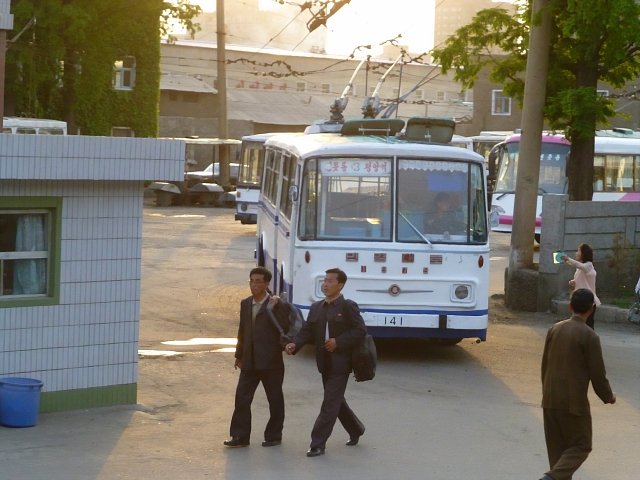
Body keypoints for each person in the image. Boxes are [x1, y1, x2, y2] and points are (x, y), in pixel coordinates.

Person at [284, 267, 367, 457]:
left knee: (329, 403)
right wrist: (294, 345)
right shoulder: (316, 307)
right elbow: (307, 331)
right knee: (336, 401)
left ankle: (317, 443)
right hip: (324, 363)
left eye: (330, 281)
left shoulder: (348, 306)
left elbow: (360, 330)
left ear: (340, 285)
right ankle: (355, 429)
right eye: (325, 280)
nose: (326, 284)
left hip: (341, 363)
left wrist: (339, 341)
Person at [539, 288, 616, 480]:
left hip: (550, 400)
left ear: (570, 306)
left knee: (558, 456)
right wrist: (608, 396)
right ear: (591, 309)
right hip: (573, 404)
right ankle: (549, 478)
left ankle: (552, 476)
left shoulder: (555, 329)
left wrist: (547, 392)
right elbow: (598, 374)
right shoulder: (589, 336)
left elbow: (545, 365)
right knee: (581, 445)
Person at [223, 267, 291, 448]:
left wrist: (279, 307)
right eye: (251, 281)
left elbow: (285, 329)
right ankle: (240, 436)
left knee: (275, 399)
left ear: (267, 284)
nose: (254, 285)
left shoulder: (276, 305)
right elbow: (242, 332)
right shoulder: (246, 304)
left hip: (271, 362)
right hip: (249, 361)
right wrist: (239, 355)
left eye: (258, 281)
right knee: (242, 399)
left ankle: (274, 435)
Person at [561, 243, 600, 329]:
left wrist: (567, 259)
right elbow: (584, 279)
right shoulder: (582, 267)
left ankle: (589, 340)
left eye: (578, 251)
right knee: (579, 324)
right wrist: (574, 282)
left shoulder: (588, 265)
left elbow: (580, 266)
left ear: (584, 253)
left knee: (587, 325)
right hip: (581, 299)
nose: (576, 253)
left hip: (588, 300)